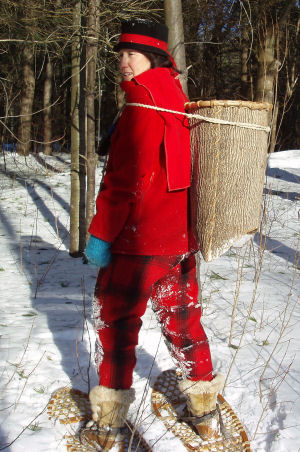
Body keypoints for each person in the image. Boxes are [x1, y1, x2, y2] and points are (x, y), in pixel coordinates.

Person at [80, 19, 224, 451]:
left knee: (117, 328)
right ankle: (204, 413)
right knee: (185, 325)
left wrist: (101, 236)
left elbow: (127, 180)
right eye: (120, 54)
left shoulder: (141, 102)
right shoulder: (179, 98)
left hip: (138, 240)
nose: (123, 64)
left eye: (132, 55)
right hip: (178, 240)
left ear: (155, 58)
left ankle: (108, 427)